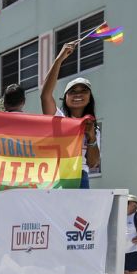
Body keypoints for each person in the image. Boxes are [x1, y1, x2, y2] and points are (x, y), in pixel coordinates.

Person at [40, 42, 100, 188]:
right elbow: (45, 96)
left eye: (83, 91)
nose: (78, 95)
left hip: (80, 177)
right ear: (65, 98)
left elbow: (92, 164)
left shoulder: (93, 127)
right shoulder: (58, 119)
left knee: (79, 212)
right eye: (72, 92)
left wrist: (91, 137)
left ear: (89, 98)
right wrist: (58, 60)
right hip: (55, 175)